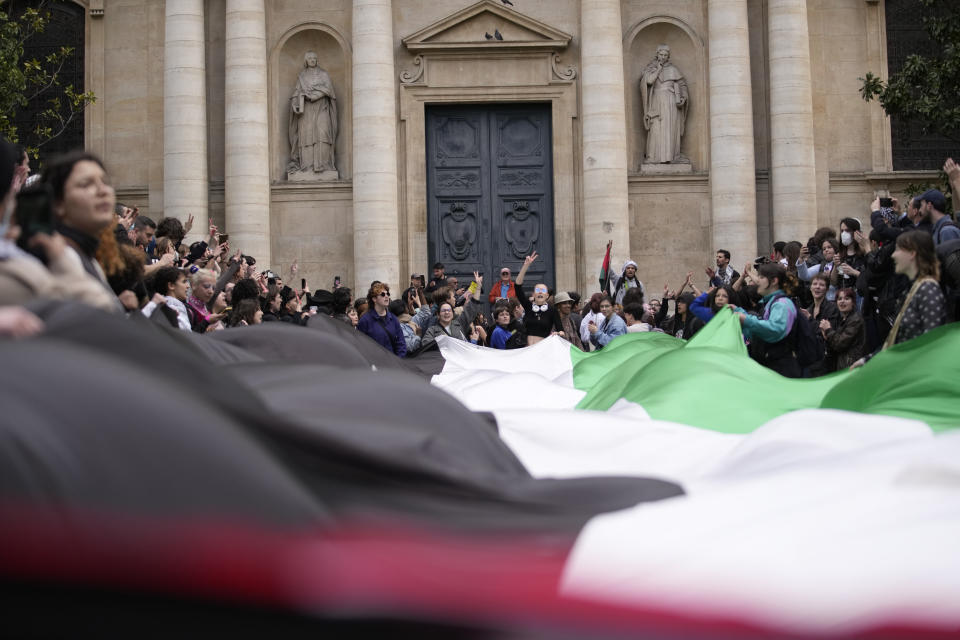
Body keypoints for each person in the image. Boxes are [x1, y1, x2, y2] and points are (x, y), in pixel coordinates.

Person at [853, 231, 948, 367]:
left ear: (912, 253)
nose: (893, 255)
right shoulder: (910, 289)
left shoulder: (928, 289)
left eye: (897, 250)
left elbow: (931, 342)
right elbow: (898, 339)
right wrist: (869, 359)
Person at [732, 262, 801, 378]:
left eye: (761, 277)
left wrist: (746, 320)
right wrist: (741, 313)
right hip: (773, 366)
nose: (757, 281)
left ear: (774, 281)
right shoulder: (771, 303)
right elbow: (761, 329)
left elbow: (775, 330)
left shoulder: (782, 304)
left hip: (782, 370)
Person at [288, 51, 338, 176]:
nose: (312, 60)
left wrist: (314, 95)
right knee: (306, 135)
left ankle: (323, 165)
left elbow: (329, 90)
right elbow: (296, 93)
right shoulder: (302, 76)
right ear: (306, 60)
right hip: (306, 112)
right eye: (310, 58)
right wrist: (295, 104)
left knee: (323, 133)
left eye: (314, 58)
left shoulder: (323, 74)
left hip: (322, 108)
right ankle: (307, 166)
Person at [640, 44, 688, 164]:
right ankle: (653, 157)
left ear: (668, 57)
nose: (663, 57)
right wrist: (659, 69)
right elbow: (649, 81)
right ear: (657, 55)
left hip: (672, 101)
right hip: (656, 100)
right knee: (656, 127)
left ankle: (672, 156)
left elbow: (682, 85)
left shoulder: (674, 70)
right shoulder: (650, 68)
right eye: (661, 54)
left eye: (665, 55)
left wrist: (683, 97)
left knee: (671, 128)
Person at [514, 252, 561, 346]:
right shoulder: (528, 307)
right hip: (526, 349)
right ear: (533, 294)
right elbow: (517, 287)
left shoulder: (552, 310)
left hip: (542, 350)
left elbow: (561, 331)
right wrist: (525, 266)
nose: (540, 292)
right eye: (538, 290)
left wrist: (558, 333)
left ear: (547, 295)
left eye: (543, 290)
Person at [820, 287, 865, 372]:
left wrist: (828, 330)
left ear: (853, 302)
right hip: (842, 364)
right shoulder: (842, 318)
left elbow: (840, 343)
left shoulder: (856, 320)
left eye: (847, 298)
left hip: (851, 365)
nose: (842, 301)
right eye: (839, 299)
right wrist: (827, 336)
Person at [356, 281, 406, 357]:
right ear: (374, 299)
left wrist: (399, 361)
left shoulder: (393, 319)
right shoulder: (365, 320)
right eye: (382, 294)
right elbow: (360, 346)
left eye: (387, 294)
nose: (386, 296)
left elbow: (401, 343)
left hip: (393, 364)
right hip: (375, 364)